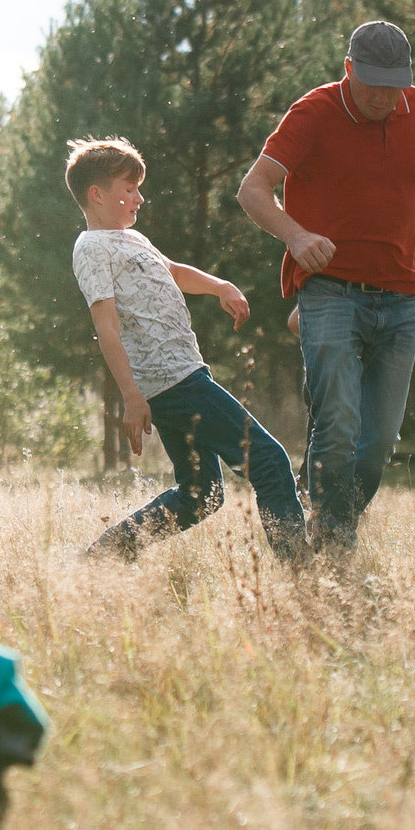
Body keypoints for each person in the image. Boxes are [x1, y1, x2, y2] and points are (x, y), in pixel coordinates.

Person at [236, 21, 415, 550]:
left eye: (394, 87)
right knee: (339, 426)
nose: (384, 98)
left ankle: (322, 519)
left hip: (399, 296)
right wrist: (296, 237)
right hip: (328, 290)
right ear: (349, 70)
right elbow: (252, 189)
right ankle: (332, 538)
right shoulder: (313, 113)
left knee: (378, 443)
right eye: (372, 86)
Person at [71, 139, 306, 562]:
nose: (140, 197)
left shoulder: (132, 238)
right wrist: (130, 394)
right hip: (172, 383)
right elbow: (105, 327)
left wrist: (219, 286)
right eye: (131, 188)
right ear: (97, 194)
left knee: (201, 495)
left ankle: (101, 558)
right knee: (268, 461)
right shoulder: (92, 248)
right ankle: (300, 573)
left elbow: (175, 272)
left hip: (183, 377)